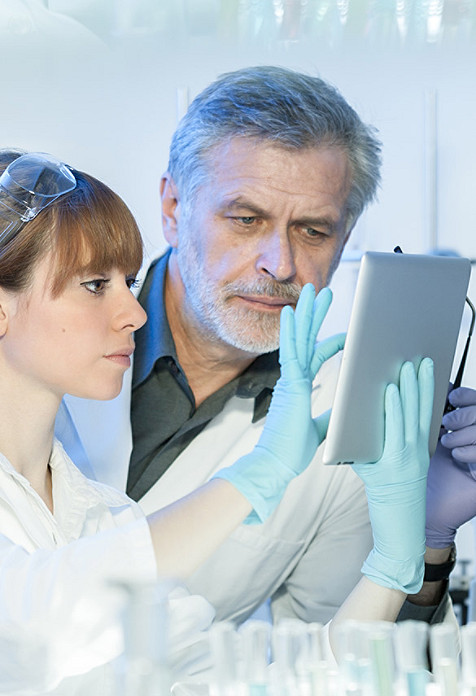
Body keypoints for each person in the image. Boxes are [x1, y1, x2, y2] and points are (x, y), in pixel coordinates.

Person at [0, 148, 437, 694]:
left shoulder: (101, 513)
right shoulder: (102, 545)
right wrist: (260, 474)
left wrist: (391, 569)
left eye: (128, 282)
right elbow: (35, 623)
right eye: (94, 285)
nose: (133, 313)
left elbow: (240, 686)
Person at [57, 65, 476, 631]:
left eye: (313, 231)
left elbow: (333, 660)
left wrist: (425, 543)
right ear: (173, 208)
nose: (279, 264)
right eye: (245, 218)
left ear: (345, 238)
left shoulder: (348, 418)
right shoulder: (44, 332)